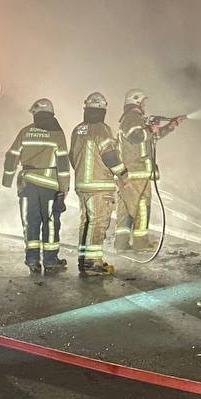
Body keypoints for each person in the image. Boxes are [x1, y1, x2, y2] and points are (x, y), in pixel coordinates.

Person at [3, 98, 71, 274]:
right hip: (50, 187)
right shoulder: (57, 134)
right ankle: (50, 261)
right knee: (50, 223)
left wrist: (7, 180)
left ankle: (32, 260)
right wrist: (64, 188)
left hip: (27, 185)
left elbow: (11, 156)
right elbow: (63, 163)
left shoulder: (25, 132)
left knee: (30, 222)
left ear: (36, 114)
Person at [69, 92, 126, 277]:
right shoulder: (102, 129)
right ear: (103, 109)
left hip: (82, 186)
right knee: (98, 223)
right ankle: (92, 263)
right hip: (100, 186)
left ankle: (84, 259)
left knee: (86, 222)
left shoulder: (78, 129)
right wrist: (123, 173)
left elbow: (72, 156)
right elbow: (109, 155)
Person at [116, 89, 180, 251]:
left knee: (125, 210)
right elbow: (136, 136)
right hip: (137, 174)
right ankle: (140, 243)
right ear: (136, 101)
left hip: (129, 174)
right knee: (142, 208)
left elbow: (149, 138)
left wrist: (170, 127)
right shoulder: (132, 117)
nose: (145, 105)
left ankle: (121, 244)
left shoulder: (133, 119)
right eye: (143, 102)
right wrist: (151, 129)